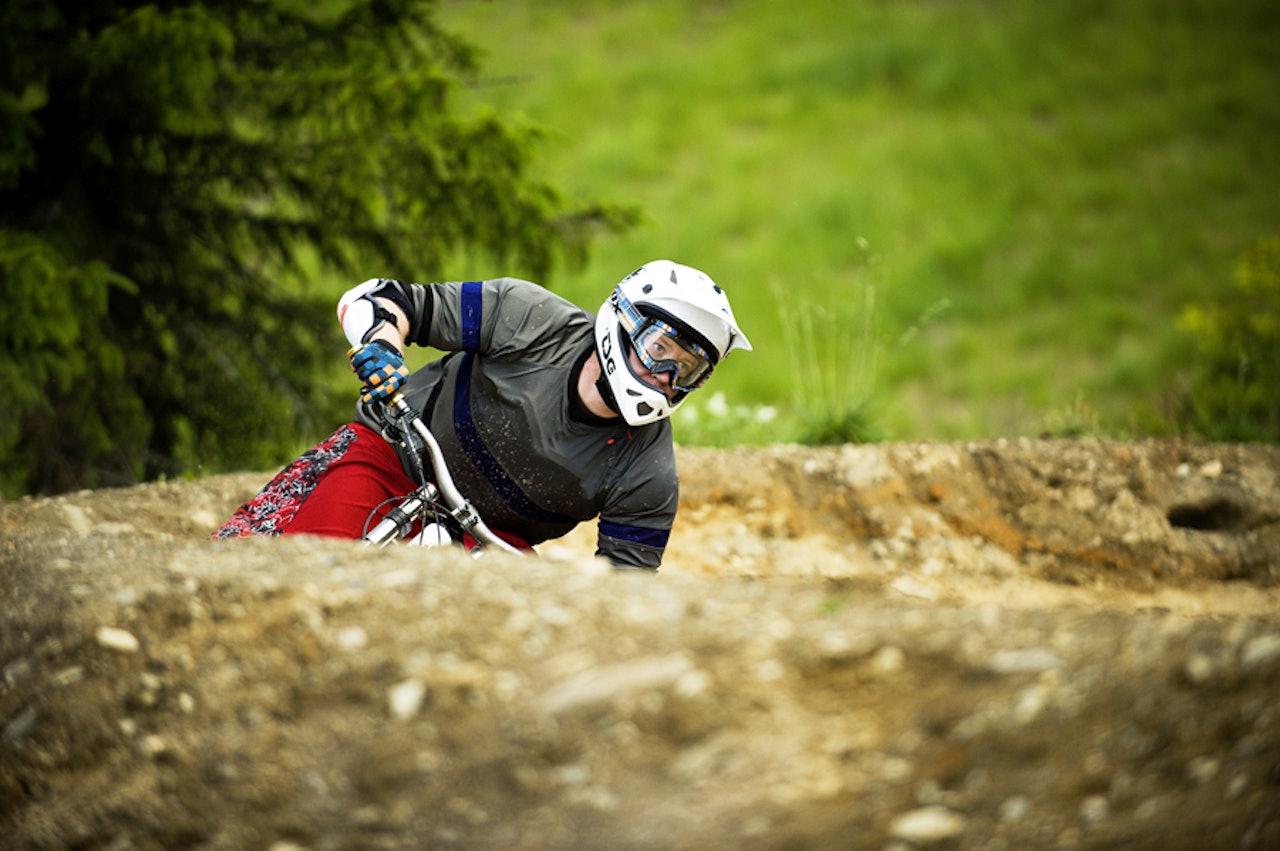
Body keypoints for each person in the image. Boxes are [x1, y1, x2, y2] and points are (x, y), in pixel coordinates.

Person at [212, 260, 751, 569]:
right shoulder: (528, 317)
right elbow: (384, 298)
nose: (666, 378)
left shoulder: (648, 473)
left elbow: (620, 598)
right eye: (661, 349)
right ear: (624, 320)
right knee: (301, 568)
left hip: (492, 537)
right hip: (393, 460)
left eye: (689, 369)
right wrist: (383, 343)